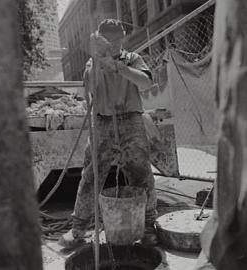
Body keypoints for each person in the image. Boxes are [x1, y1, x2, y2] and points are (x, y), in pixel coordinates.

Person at [58, 19, 158, 248]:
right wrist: (98, 62)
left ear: (122, 38)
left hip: (131, 121)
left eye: (116, 40)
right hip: (103, 123)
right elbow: (90, 88)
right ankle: (78, 229)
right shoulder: (92, 63)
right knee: (91, 176)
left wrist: (118, 67)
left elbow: (145, 84)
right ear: (101, 40)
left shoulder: (132, 59)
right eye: (108, 40)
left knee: (141, 174)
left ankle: (149, 226)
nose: (112, 44)